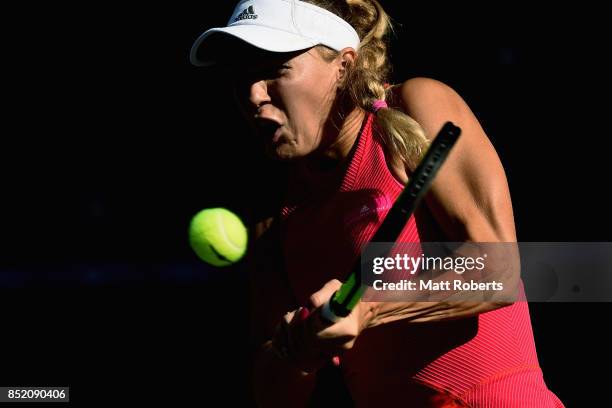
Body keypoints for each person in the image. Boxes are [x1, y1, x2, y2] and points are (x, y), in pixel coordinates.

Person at [190, 0, 564, 406]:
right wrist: (294, 350)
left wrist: (368, 308)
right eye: (240, 76)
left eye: (275, 70)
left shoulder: (417, 106)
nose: (252, 94)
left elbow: (500, 269)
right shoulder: (272, 219)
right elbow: (271, 395)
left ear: (344, 66)